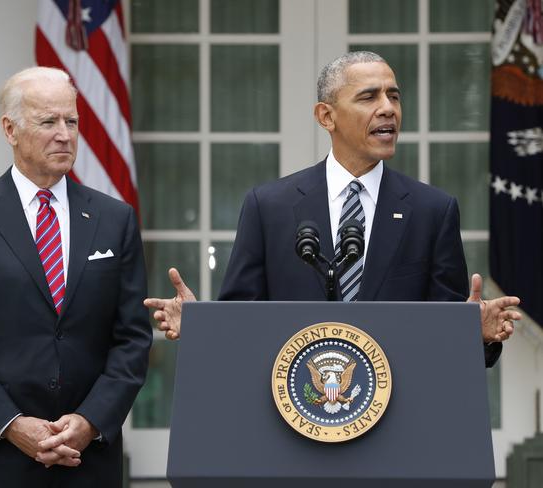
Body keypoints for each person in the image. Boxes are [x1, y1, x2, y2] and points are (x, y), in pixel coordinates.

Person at [144, 51, 520, 367]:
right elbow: (243, 324)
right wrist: (202, 327)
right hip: (293, 424)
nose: (388, 109)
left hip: (397, 432)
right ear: (327, 116)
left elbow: (448, 341)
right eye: (369, 97)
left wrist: (477, 335)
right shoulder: (269, 207)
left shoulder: (432, 211)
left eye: (394, 96)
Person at [0, 67, 152, 487]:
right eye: (49, 122)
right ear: (10, 129)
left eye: (72, 121)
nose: (65, 134)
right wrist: (12, 424)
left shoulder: (114, 219)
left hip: (88, 459)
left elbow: (132, 337)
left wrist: (90, 420)